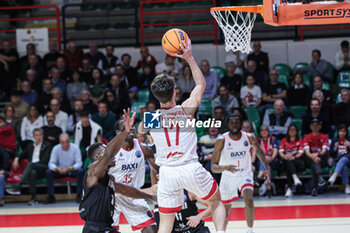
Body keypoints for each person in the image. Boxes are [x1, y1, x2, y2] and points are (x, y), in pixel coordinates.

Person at [138, 39, 227, 233]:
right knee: (216, 201)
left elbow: (140, 133)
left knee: (166, 223)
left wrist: (148, 137)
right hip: (190, 167)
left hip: (167, 172)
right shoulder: (185, 110)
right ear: (174, 94)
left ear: (156, 96)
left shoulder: (150, 118)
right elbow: (200, 84)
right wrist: (189, 57)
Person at [79, 109, 156, 233]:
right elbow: (108, 155)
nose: (114, 154)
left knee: (151, 229)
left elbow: (127, 189)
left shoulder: (110, 179)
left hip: (130, 194)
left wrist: (153, 193)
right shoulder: (96, 167)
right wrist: (125, 131)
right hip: (106, 209)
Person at [211, 114, 270, 233]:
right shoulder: (221, 140)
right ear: (228, 125)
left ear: (241, 124)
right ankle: (222, 231)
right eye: (231, 122)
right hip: (228, 176)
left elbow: (259, 152)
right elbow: (213, 167)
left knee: (249, 199)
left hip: (245, 174)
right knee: (225, 210)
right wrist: (225, 167)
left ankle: (250, 230)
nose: (234, 124)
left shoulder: (249, 137)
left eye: (237, 122)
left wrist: (266, 167)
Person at [108, 120, 158, 232]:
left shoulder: (144, 148)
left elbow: (158, 171)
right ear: (117, 132)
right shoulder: (110, 151)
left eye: (131, 127)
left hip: (134, 195)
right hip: (113, 196)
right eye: (126, 127)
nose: (130, 129)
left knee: (152, 229)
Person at [6, 128, 53, 205]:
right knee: (32, 172)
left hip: (43, 168)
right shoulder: (30, 145)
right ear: (33, 137)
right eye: (36, 135)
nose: (38, 137)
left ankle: (18, 186)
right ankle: (33, 198)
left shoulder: (47, 145)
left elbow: (45, 160)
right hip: (32, 170)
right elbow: (21, 154)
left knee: (31, 165)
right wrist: (16, 159)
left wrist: (33, 165)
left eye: (40, 135)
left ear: (43, 136)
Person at [45, 133, 83, 204]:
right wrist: (57, 168)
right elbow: (51, 163)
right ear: (60, 142)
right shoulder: (56, 148)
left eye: (66, 142)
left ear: (69, 141)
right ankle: (51, 196)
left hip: (71, 170)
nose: (65, 144)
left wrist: (71, 168)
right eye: (62, 142)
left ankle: (79, 195)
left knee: (80, 171)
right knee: (49, 172)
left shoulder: (75, 148)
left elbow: (79, 163)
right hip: (60, 170)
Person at [303, 118, 329, 196]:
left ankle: (314, 188)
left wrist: (317, 155)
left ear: (320, 126)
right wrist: (313, 157)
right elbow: (307, 152)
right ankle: (319, 179)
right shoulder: (307, 137)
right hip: (310, 159)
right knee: (314, 163)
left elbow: (324, 151)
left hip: (321, 159)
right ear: (310, 127)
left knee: (314, 164)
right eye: (313, 125)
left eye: (317, 125)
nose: (315, 126)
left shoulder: (324, 137)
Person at [279, 124, 304, 197]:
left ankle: (289, 189)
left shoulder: (300, 140)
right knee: (289, 163)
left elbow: (301, 152)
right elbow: (280, 152)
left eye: (294, 130)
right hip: (286, 160)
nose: (292, 131)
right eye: (290, 130)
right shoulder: (284, 140)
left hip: (297, 161)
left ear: (296, 131)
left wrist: (294, 157)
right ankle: (295, 179)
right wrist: (285, 156)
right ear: (288, 131)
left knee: (290, 165)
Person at [257, 125, 279, 197]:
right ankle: (269, 189)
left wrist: (271, 158)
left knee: (267, 165)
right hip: (261, 161)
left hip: (272, 161)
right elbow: (256, 153)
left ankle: (258, 178)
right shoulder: (258, 141)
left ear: (268, 132)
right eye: (262, 130)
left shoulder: (273, 139)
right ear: (260, 132)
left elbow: (275, 152)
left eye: (265, 130)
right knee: (267, 167)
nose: (264, 132)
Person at [328, 124, 350, 194]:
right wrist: (334, 148)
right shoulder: (334, 140)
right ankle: (347, 185)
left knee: (344, 159)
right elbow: (331, 154)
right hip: (338, 160)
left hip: (348, 159)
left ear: (346, 132)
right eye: (341, 131)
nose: (342, 133)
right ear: (338, 132)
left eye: (344, 131)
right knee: (344, 167)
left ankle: (334, 175)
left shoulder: (349, 139)